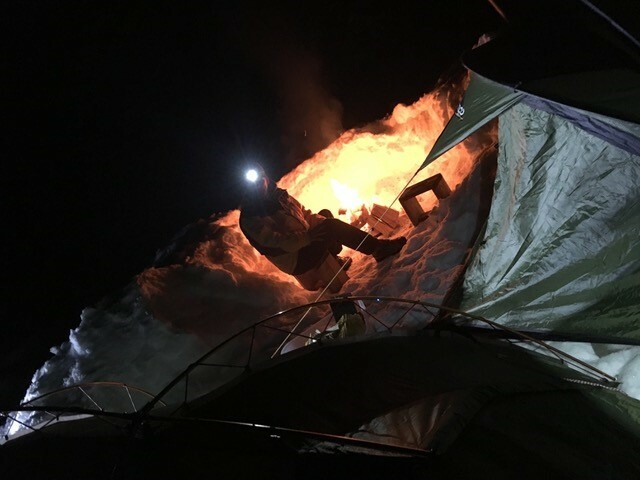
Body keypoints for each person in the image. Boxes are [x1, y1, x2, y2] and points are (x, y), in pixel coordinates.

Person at [239, 165, 407, 277]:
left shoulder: (279, 196)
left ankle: (334, 259)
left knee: (325, 216)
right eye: (252, 186)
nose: (258, 187)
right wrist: (310, 236)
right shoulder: (250, 218)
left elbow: (305, 214)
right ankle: (378, 249)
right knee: (330, 226)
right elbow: (277, 244)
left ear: (266, 179)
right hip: (295, 259)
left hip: (305, 243)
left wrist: (322, 224)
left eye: (260, 182)